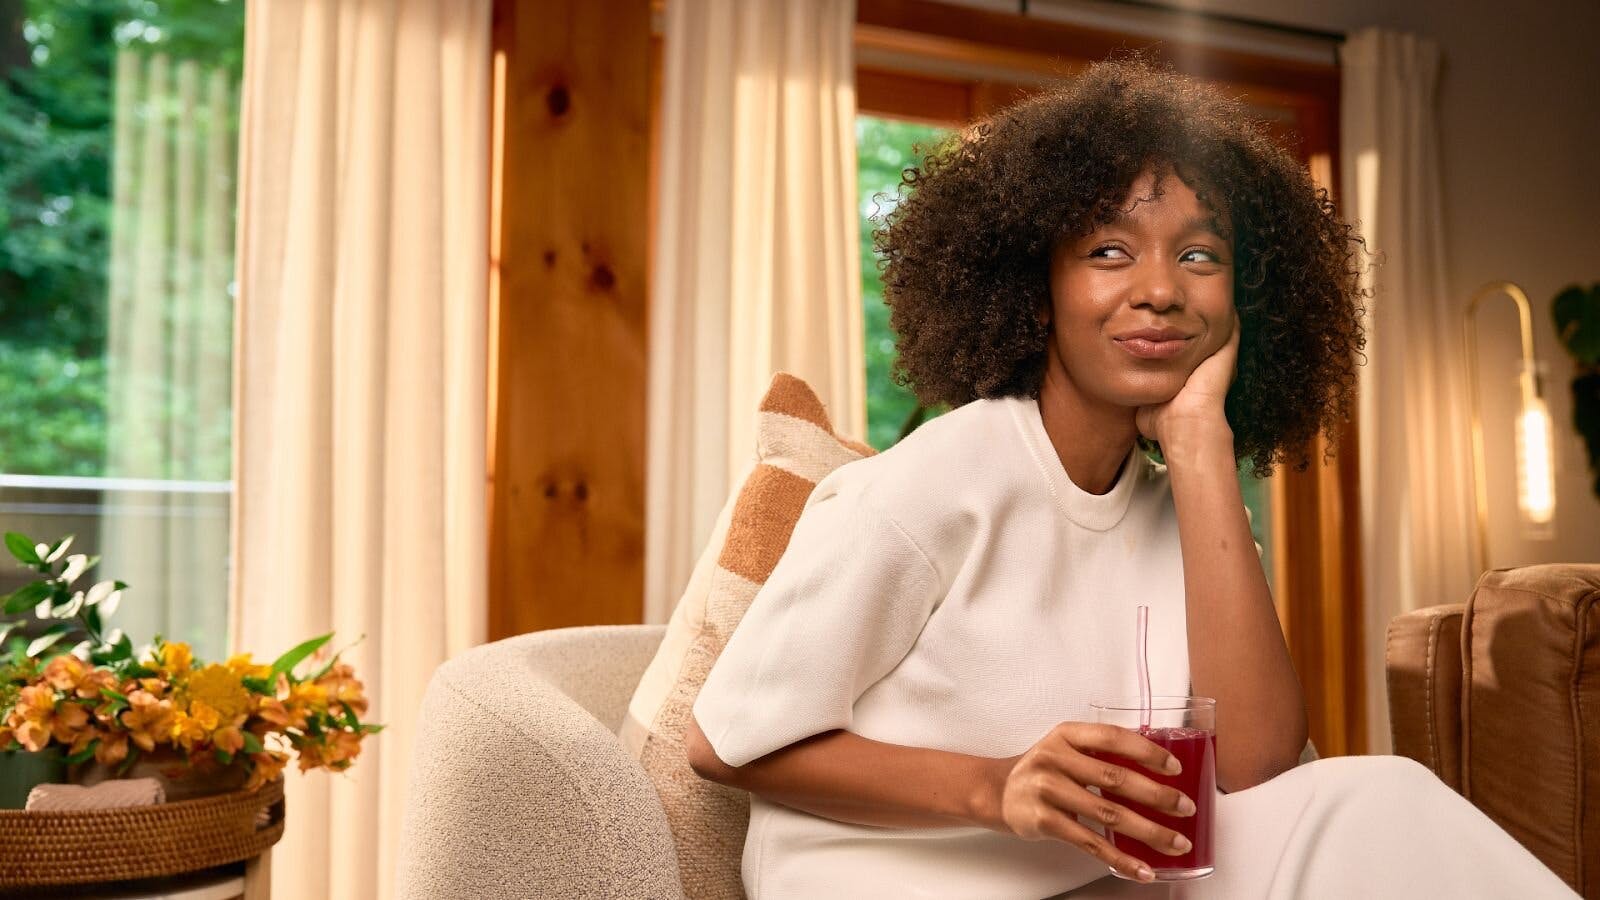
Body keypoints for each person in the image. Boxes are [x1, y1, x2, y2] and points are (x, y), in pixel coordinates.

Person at [683, 60, 1575, 899]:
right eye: (1110, 251)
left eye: (1199, 256)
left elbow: (1260, 772)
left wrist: (1196, 446)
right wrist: (996, 788)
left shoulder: (1186, 506)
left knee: (1373, 799)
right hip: (876, 886)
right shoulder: (937, 483)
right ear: (1038, 291)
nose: (1160, 290)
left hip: (1103, 888)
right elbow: (723, 739)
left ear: (1244, 296)